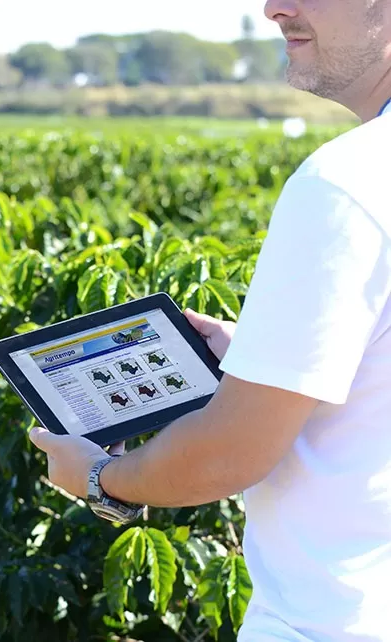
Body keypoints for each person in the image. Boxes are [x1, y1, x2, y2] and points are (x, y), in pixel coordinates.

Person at [28, 1, 391, 640]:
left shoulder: (347, 183)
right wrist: (268, 362)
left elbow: (230, 453)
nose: (274, 6)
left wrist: (99, 478)